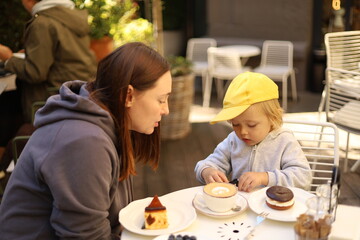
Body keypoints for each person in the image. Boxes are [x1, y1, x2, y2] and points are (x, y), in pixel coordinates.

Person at [0, 42, 172, 239]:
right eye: (161, 99)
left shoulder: (105, 122)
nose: (166, 110)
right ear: (128, 95)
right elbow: (86, 236)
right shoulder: (84, 142)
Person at [194, 72, 311, 192]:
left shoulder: (285, 141)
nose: (243, 132)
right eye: (235, 124)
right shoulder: (233, 141)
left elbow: (303, 178)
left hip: (274, 206)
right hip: (241, 205)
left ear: (273, 118)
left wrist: (265, 178)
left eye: (251, 125)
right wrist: (207, 171)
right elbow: (207, 164)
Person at [0, 0, 97, 123]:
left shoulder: (42, 23)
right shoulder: (70, 16)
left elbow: (35, 73)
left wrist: (8, 58)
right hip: (78, 94)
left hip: (53, 102)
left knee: (6, 105)